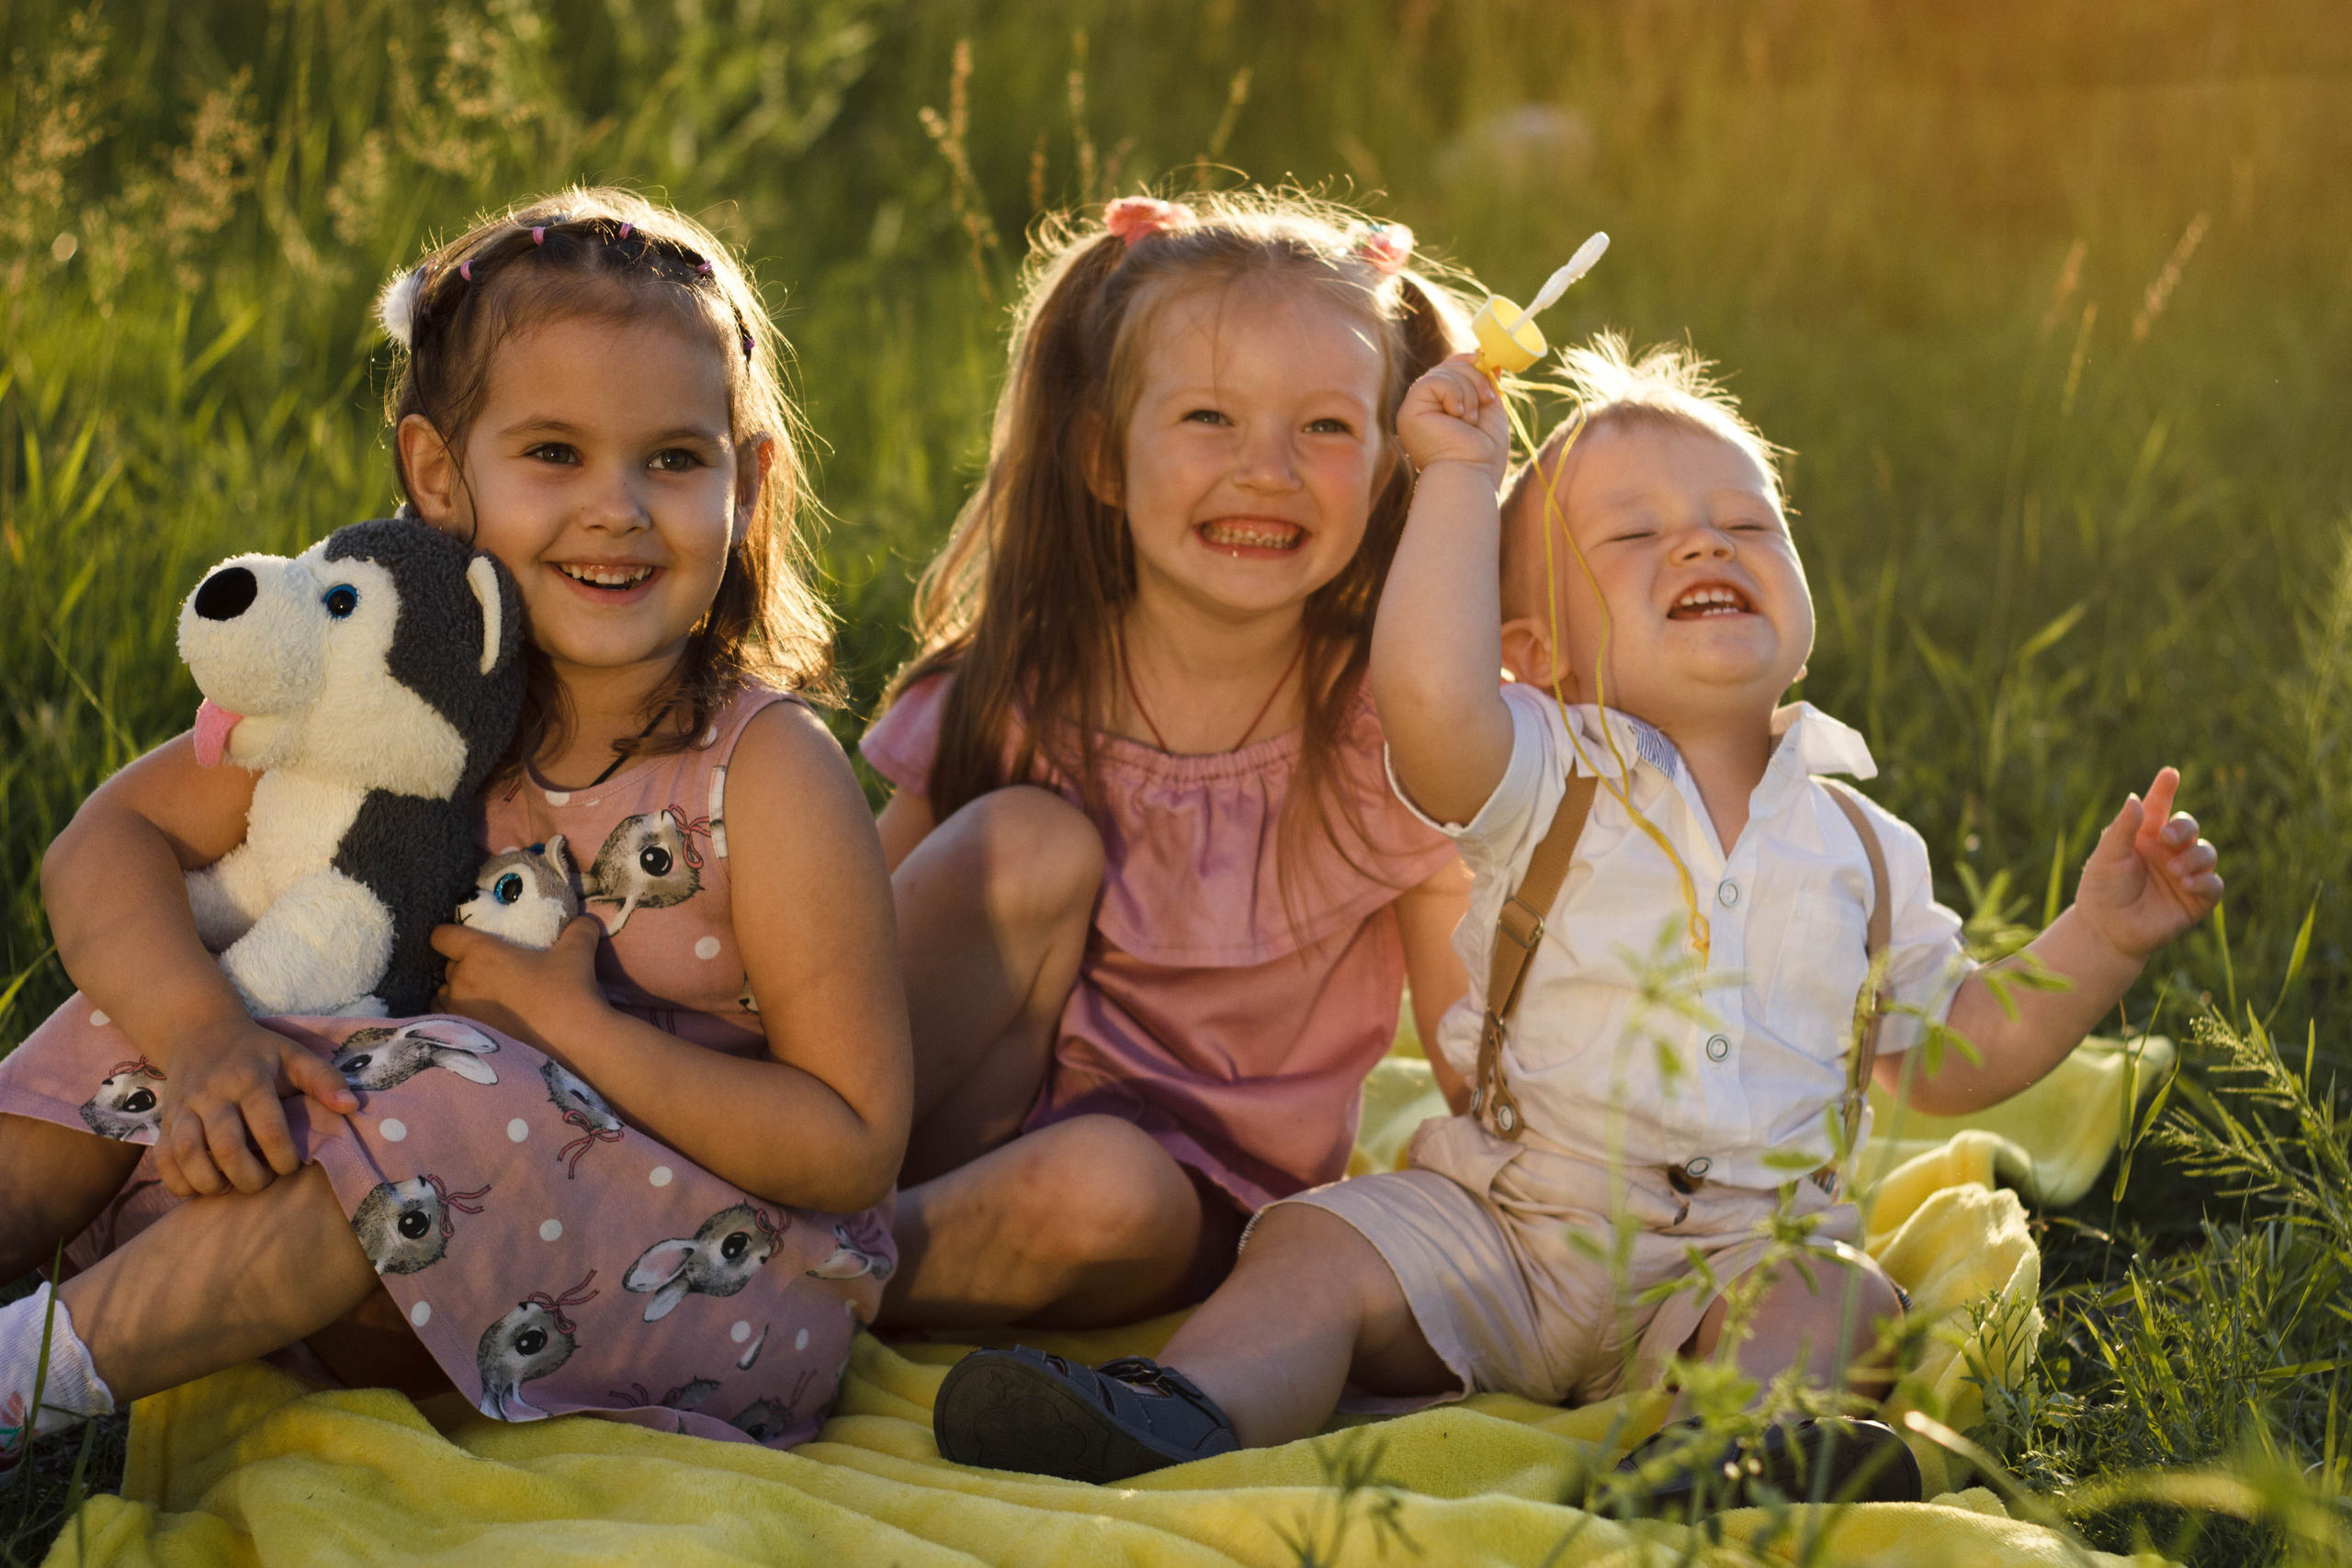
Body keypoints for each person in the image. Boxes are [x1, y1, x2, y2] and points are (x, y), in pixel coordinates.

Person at [930, 333, 2223, 1506]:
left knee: (1841, 1298)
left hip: (1738, 1255)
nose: (1703, 544)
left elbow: (1957, 1053)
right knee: (1319, 1246)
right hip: (1503, 1218)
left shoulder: (1867, 851)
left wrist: (2098, 937)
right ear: (1536, 648)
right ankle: (1181, 1412)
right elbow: (1430, 694)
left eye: (1744, 522)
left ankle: (1726, 1453)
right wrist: (1453, 476)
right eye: (1634, 535)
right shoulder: (1547, 763)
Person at [0, 187, 910, 1461]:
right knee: (166, 987)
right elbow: (108, 842)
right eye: (554, 453)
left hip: (708, 1283)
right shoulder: (391, 689)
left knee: (443, 1080)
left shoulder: (764, 770)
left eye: (674, 458)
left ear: (745, 483)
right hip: (359, 1245)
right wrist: (204, 1034)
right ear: (438, 472)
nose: (618, 508)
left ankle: (23, 1381)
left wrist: (577, 1026)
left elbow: (854, 1142)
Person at [863, 193, 1475, 1331]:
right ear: (1102, 455)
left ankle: (781, 1285)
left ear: (1393, 461)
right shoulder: (1019, 687)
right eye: (1208, 418)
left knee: (1107, 1184)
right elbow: (847, 961)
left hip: (1177, 1215)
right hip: (941, 1135)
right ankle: (767, 1208)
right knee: (1023, 843)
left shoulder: (1393, 731)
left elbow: (1472, 1057)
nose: (1267, 471)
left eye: (1326, 429)